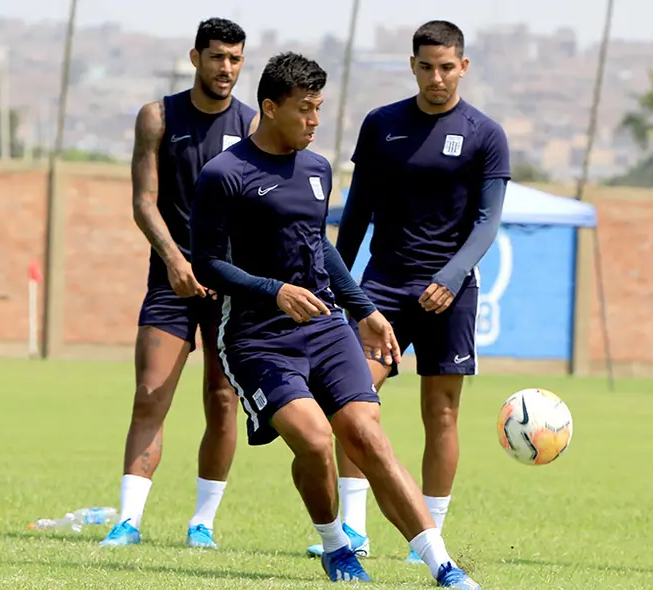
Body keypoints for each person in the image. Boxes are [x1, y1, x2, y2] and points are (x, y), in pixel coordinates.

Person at [189, 51, 482, 589]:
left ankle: (443, 564)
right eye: (304, 110)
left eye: (319, 108)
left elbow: (319, 249)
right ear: (271, 107)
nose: (314, 121)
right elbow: (205, 262)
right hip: (256, 338)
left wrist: (364, 310)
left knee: (368, 435)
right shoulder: (223, 174)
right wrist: (272, 291)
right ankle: (335, 546)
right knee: (317, 441)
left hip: (325, 327)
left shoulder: (318, 169)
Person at [305, 19, 510, 565]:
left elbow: (488, 222)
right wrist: (337, 283)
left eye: (447, 67)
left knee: (440, 413)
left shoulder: (486, 134)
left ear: (463, 66)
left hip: (451, 292)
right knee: (350, 404)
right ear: (412, 65)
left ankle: (430, 540)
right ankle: (354, 527)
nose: (436, 78)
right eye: (426, 67)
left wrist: (450, 277)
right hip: (384, 290)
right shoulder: (382, 125)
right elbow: (357, 212)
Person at [100, 17, 259, 549]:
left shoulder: (255, 124)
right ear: (196, 58)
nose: (227, 68)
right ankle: (128, 521)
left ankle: (202, 524)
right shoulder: (158, 117)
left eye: (235, 59)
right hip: (170, 277)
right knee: (150, 393)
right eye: (217, 57)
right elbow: (144, 200)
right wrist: (172, 258)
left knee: (221, 399)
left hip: (228, 284)